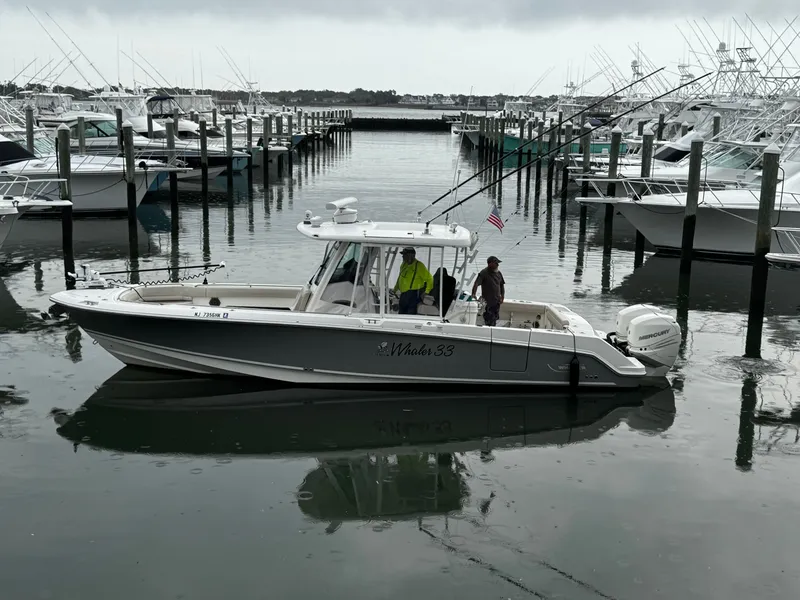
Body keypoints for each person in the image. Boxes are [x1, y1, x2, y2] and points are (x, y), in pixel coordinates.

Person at [393, 247, 433, 315]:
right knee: (401, 313)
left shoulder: (419, 266)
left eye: (405, 255)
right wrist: (395, 289)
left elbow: (430, 279)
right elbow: (400, 278)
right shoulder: (403, 264)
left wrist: (426, 291)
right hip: (403, 294)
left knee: (410, 314)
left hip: (414, 294)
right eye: (403, 255)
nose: (403, 257)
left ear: (411, 256)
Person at [471, 256, 505, 326]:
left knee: (495, 318)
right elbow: (476, 284)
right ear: (490, 264)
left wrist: (502, 296)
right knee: (489, 319)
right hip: (487, 302)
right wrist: (473, 295)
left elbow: (501, 285)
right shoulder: (484, 272)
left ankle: (492, 327)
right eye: (496, 263)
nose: (498, 265)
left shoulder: (499, 273)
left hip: (497, 301)